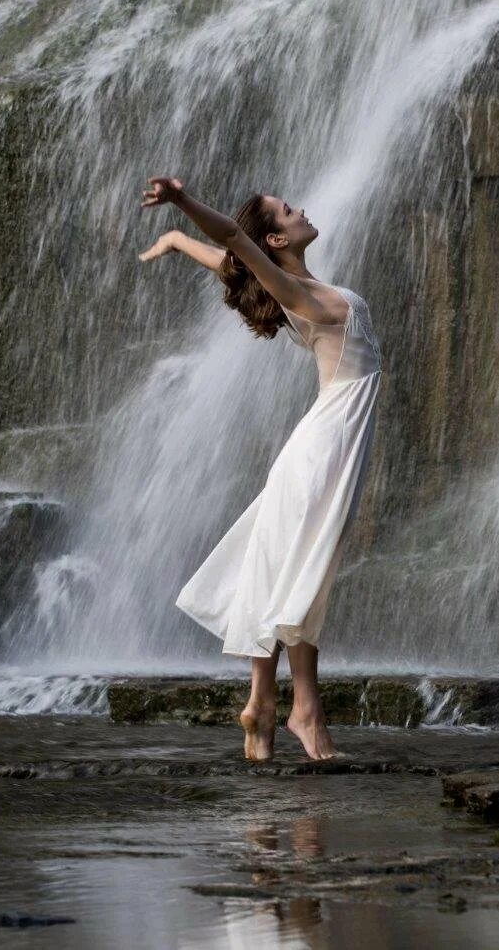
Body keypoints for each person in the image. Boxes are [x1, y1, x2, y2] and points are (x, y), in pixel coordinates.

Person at [139, 176, 383, 762]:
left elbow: (228, 259)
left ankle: (264, 702)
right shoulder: (297, 293)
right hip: (326, 447)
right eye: (288, 210)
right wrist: (182, 200)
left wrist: (176, 239)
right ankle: (304, 715)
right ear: (274, 239)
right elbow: (232, 240)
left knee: (285, 570)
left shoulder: (299, 285)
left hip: (322, 443)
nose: (302, 210)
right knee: (302, 574)